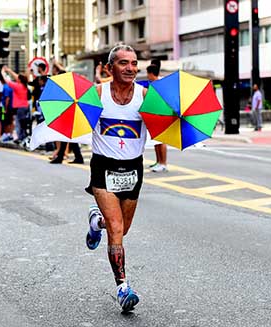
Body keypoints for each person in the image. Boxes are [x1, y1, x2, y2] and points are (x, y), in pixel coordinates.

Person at [84, 44, 147, 312]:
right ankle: (123, 287)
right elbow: (78, 121)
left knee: (120, 228)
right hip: (103, 167)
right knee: (117, 228)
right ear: (110, 68)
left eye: (134, 63)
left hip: (133, 168)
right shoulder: (97, 95)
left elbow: (165, 122)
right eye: (123, 63)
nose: (130, 68)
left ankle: (94, 221)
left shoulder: (146, 97)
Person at [145, 63, 168, 172]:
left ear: (150, 73)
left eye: (147, 73)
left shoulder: (160, 85)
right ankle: (158, 162)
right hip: (154, 115)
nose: (147, 76)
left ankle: (163, 163)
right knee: (155, 140)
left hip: (161, 115)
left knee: (161, 140)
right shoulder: (153, 84)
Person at [1, 66, 30, 142]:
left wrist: (3, 73)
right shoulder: (24, 85)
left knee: (19, 123)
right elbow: (18, 77)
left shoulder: (17, 86)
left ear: (19, 80)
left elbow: (7, 81)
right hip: (25, 106)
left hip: (19, 107)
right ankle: (22, 137)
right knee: (22, 123)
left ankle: (21, 138)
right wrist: (9, 70)